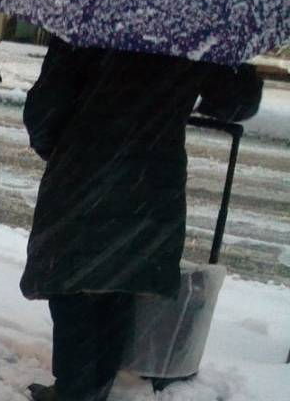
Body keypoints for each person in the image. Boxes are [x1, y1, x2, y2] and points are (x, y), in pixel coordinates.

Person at [20, 41, 262, 401]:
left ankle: (75, 390)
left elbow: (44, 110)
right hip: (152, 177)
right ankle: (95, 385)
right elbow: (234, 102)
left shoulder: (92, 20)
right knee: (122, 279)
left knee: (74, 282)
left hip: (83, 172)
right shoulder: (192, 32)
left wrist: (61, 149)